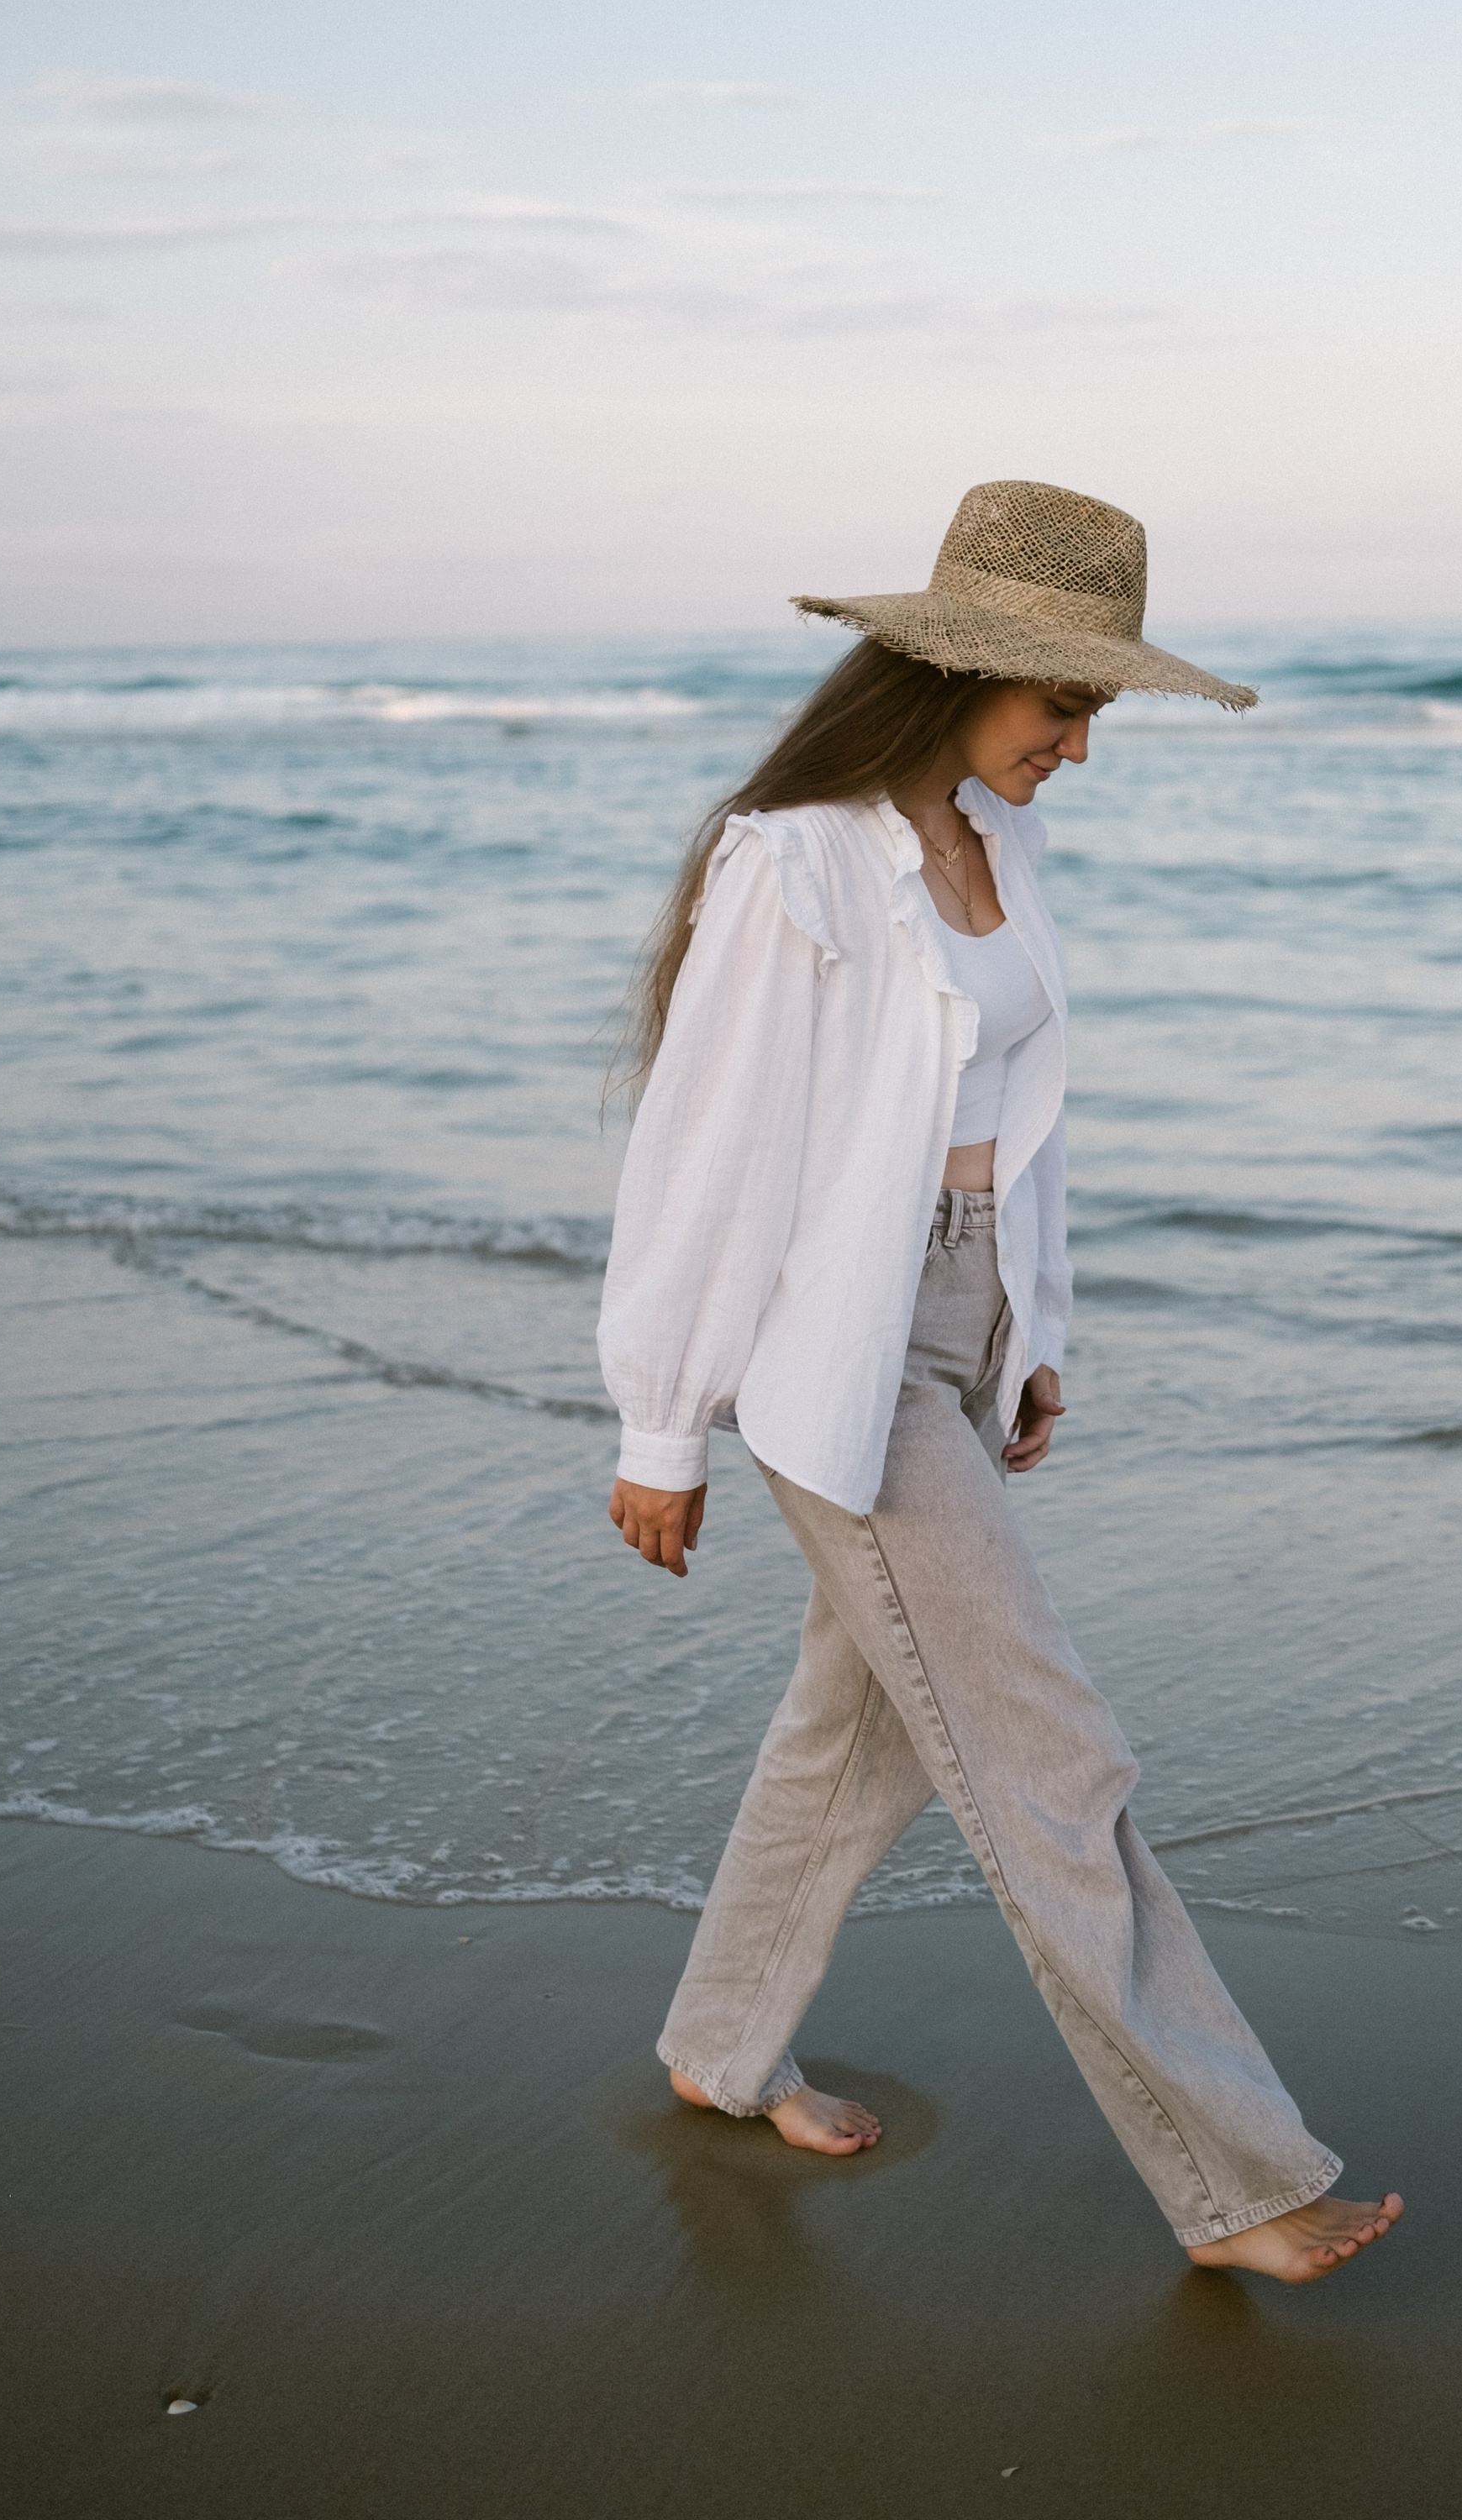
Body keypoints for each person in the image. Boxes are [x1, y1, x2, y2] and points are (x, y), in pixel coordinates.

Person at [598, 480, 1403, 2282]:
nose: (1086, 746)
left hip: (957, 1331)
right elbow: (706, 1156)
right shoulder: (793, 859)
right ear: (961, 668)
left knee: (857, 1734)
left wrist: (1034, 1334)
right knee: (1051, 1749)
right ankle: (1239, 2185)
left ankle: (717, 2051)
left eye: (1099, 707)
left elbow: (1012, 1137)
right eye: (1070, 703)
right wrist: (659, 1421)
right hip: (837, 1347)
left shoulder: (991, 846)